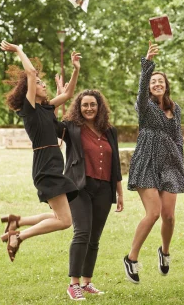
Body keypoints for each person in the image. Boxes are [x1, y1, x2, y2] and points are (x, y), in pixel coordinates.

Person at [0, 41, 81, 262]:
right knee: (65, 221)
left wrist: (75, 70)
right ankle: (18, 236)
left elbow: (68, 94)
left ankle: (18, 220)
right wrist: (18, 49)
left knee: (59, 216)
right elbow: (30, 72)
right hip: (45, 165)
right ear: (31, 90)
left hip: (52, 162)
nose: (43, 85)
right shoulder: (31, 110)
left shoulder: (46, 109)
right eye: (39, 83)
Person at [123, 41, 184, 284]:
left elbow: (178, 138)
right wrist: (147, 66)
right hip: (146, 162)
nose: (157, 84)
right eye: (153, 81)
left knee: (169, 217)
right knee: (152, 213)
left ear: (166, 86)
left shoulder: (176, 109)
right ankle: (131, 258)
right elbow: (141, 91)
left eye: (160, 81)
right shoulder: (144, 106)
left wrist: (180, 166)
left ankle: (164, 252)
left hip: (170, 165)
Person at [54, 85, 124, 301]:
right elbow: (52, 123)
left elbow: (115, 164)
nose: (89, 108)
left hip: (104, 188)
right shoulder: (71, 128)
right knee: (82, 233)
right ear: (79, 107)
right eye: (85, 105)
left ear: (99, 106)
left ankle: (87, 282)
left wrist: (120, 193)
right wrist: (61, 96)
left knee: (94, 238)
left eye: (93, 104)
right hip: (79, 187)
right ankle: (73, 284)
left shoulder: (109, 130)